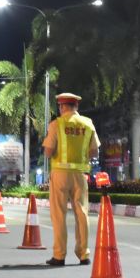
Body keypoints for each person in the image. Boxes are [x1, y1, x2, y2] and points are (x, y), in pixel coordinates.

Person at [42, 92, 100, 267]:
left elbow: (48, 151)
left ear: (61, 107)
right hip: (80, 175)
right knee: (82, 213)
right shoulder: (88, 124)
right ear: (77, 106)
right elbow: (94, 152)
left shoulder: (56, 124)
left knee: (58, 215)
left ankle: (59, 256)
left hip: (60, 174)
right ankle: (84, 254)